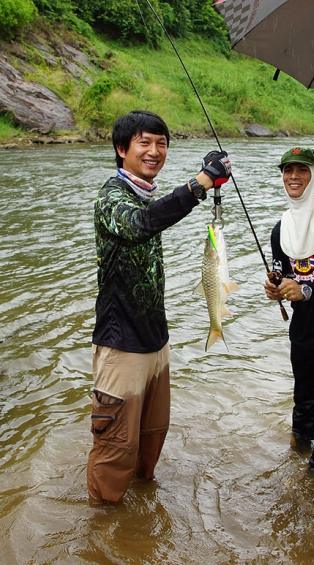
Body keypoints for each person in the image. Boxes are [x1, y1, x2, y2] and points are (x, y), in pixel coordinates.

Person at [88, 110, 231, 506]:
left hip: (156, 343)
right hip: (120, 347)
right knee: (114, 448)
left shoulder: (144, 193)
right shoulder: (111, 197)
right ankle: (101, 531)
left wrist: (203, 188)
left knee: (150, 443)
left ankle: (140, 527)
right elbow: (140, 224)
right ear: (122, 149)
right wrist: (201, 183)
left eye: (161, 143)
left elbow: (154, 215)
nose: (154, 151)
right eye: (144, 143)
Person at [262, 147, 314, 469]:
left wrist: (306, 289)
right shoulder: (279, 229)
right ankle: (296, 458)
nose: (293, 177)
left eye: (302, 171)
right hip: (301, 333)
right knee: (302, 404)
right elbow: (282, 272)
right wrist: (276, 286)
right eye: (288, 171)